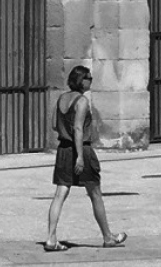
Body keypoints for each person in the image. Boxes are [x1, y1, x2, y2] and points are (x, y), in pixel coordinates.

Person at [42, 64, 124, 251]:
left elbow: (55, 125)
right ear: (81, 80)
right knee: (95, 193)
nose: (91, 81)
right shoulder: (82, 101)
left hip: (63, 149)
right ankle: (108, 236)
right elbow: (78, 129)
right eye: (89, 78)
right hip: (81, 150)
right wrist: (80, 156)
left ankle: (51, 238)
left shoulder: (62, 98)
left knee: (60, 193)